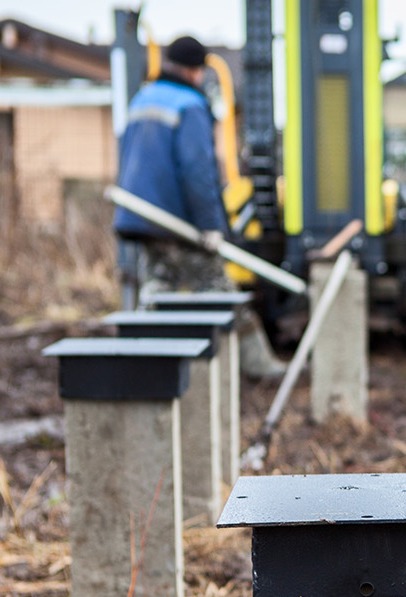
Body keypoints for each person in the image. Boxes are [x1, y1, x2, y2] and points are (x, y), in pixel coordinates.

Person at [114, 36, 284, 377]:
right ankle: (260, 366)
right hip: (178, 221)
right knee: (219, 290)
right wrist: (211, 225)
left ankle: (143, 366)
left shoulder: (142, 99)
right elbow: (197, 170)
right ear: (195, 71)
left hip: (142, 218)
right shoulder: (189, 104)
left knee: (158, 289)